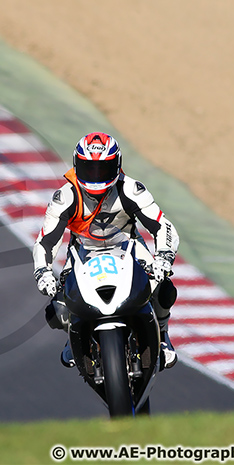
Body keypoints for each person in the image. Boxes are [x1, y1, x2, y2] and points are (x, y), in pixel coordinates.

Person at [32, 132, 179, 370]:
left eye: (104, 169)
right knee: (57, 309)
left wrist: (164, 257)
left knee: (164, 288)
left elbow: (163, 226)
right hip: (82, 254)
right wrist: (43, 272)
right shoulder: (65, 197)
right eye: (89, 169)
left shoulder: (131, 189)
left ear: (117, 165)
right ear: (76, 165)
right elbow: (45, 241)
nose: (97, 177)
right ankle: (74, 337)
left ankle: (162, 335)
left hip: (129, 248)